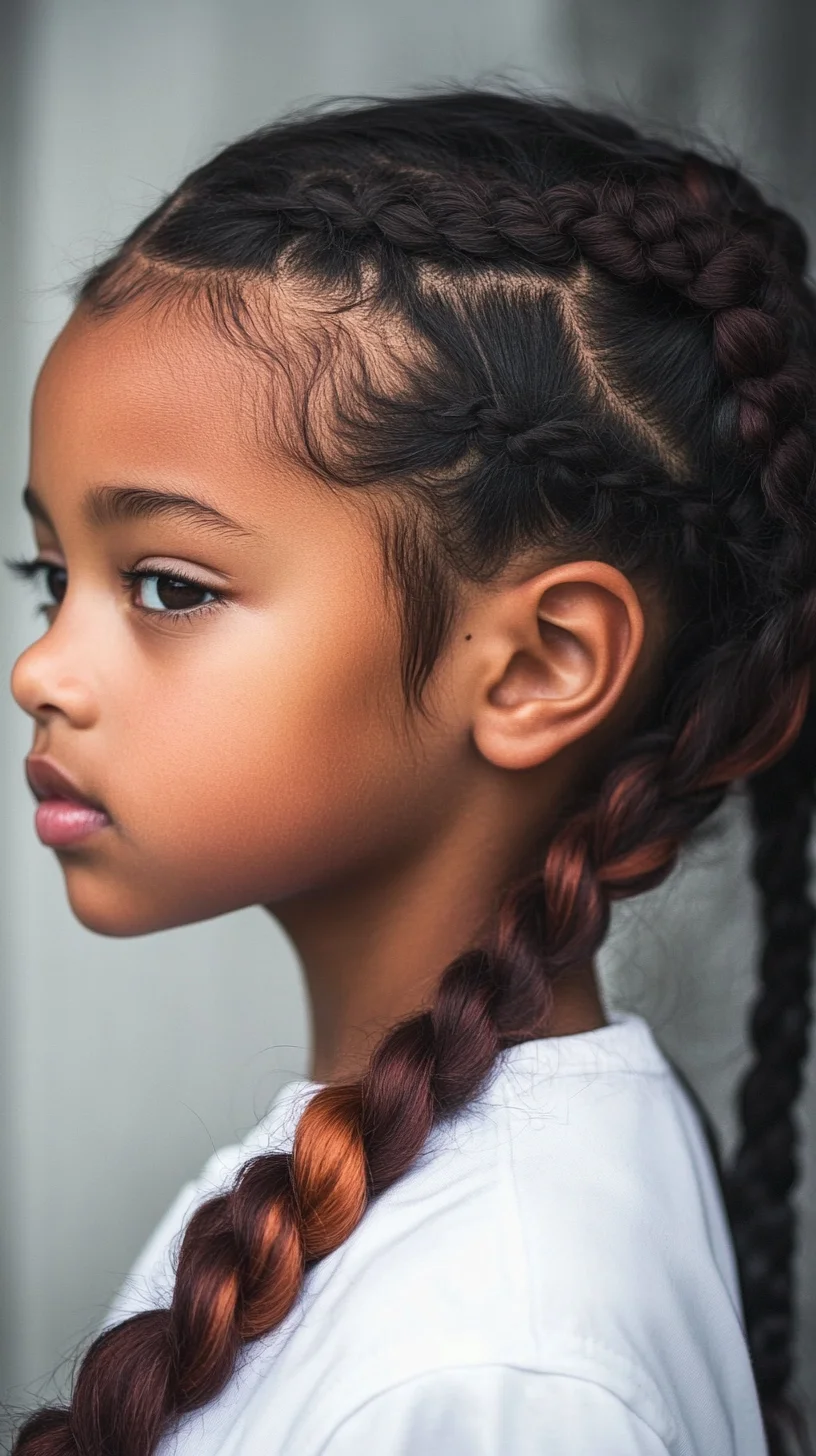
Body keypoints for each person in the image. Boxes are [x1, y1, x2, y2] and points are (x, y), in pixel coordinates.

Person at [6, 88, 816, 1456]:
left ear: (539, 665)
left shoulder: (489, 1374)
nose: (42, 672)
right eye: (49, 576)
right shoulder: (426, 1229)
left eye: (165, 584)